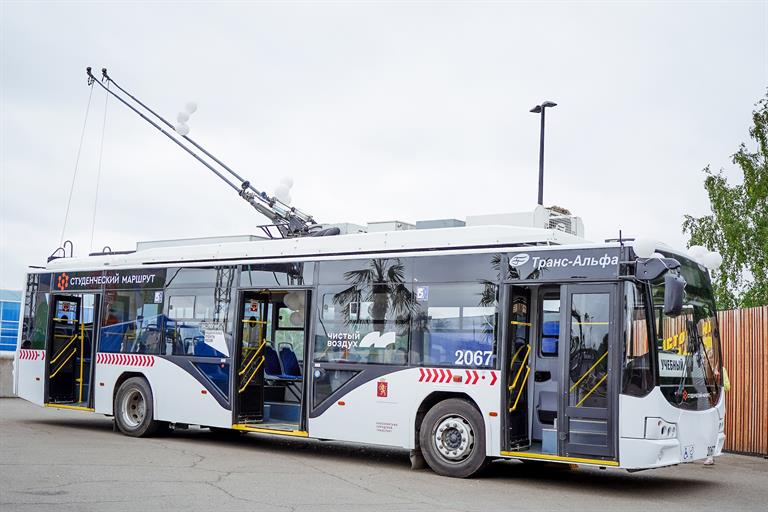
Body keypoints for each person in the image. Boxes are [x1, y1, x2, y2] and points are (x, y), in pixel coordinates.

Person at [704, 366, 731, 466]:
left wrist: (719, 378)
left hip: (716, 406)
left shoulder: (721, 369)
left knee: (712, 432)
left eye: (711, 358)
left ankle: (710, 457)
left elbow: (727, 387)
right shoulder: (703, 368)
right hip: (705, 405)